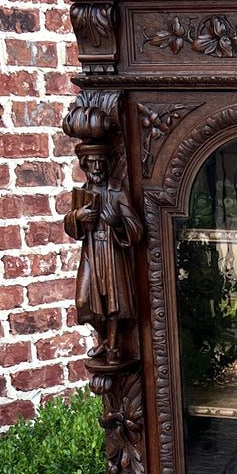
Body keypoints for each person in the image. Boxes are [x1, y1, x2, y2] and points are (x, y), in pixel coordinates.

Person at [64, 145, 142, 359]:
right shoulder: (83, 192)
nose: (97, 167)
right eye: (92, 162)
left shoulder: (117, 190)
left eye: (100, 162)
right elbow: (71, 226)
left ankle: (114, 348)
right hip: (91, 251)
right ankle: (105, 339)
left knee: (113, 303)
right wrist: (77, 217)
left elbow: (136, 227)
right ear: (85, 165)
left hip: (112, 251)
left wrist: (117, 223)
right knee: (83, 300)